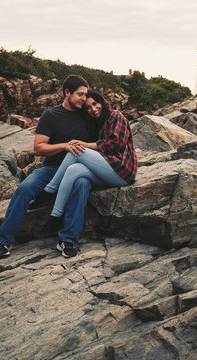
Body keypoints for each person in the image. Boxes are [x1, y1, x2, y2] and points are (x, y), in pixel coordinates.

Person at [0, 75, 92, 259]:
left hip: (79, 170)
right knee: (25, 188)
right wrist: (63, 146)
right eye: (80, 94)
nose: (84, 99)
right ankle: (3, 239)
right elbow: (38, 148)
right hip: (52, 168)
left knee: (82, 185)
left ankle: (68, 240)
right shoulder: (51, 115)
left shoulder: (87, 115)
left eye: (86, 95)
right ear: (67, 92)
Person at [36, 90, 137, 248]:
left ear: (101, 102)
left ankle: (49, 190)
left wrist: (84, 144)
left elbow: (113, 144)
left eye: (95, 104)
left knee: (77, 150)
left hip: (122, 170)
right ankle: (55, 218)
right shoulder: (99, 122)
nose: (93, 109)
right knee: (74, 170)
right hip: (109, 169)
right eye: (88, 108)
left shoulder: (115, 115)